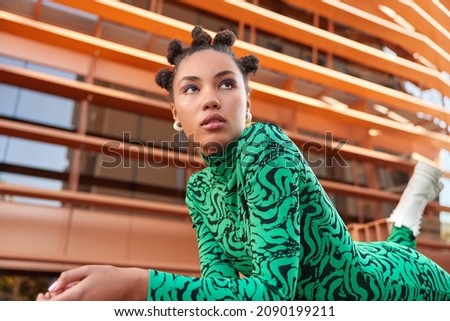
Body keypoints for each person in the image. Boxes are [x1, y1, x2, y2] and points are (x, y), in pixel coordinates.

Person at [37, 26, 449, 301]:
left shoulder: (266, 148)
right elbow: (219, 291)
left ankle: (413, 200)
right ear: (177, 116)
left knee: (400, 252)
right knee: (396, 240)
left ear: (247, 106)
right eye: (191, 88)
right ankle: (414, 199)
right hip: (363, 260)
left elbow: (273, 294)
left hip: (398, 283)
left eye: (226, 83)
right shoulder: (199, 192)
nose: (210, 98)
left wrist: (134, 285)